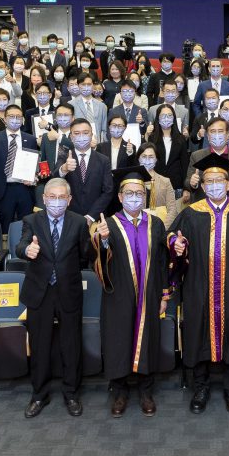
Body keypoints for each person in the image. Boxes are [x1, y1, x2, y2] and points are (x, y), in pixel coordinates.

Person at [169, 153, 229, 414]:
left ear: (228, 183)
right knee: (198, 331)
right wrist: (175, 245)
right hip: (198, 287)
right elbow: (171, 237)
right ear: (201, 186)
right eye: (208, 181)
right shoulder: (191, 213)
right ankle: (199, 387)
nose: (213, 185)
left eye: (218, 180)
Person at [90, 167, 172, 417]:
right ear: (120, 196)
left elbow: (161, 262)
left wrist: (164, 295)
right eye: (129, 193)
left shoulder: (155, 224)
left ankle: (146, 391)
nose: (134, 197)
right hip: (118, 297)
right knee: (118, 340)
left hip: (149, 294)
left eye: (139, 193)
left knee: (148, 339)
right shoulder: (108, 224)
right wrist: (102, 241)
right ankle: (120, 391)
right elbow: (95, 260)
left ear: (145, 197)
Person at [16, 178, 91, 418]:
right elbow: (21, 245)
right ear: (44, 199)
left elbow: (86, 254)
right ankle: (39, 395)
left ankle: (71, 393)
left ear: (69, 200)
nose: (56, 202)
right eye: (52, 197)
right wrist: (27, 250)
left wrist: (99, 239)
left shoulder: (79, 222)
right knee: (40, 345)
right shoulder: (31, 220)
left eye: (62, 198)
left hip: (68, 290)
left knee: (71, 345)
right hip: (40, 291)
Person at [0, 103, 39, 234]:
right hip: (4, 188)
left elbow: (34, 162)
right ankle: (6, 252)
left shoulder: (30, 138)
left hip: (25, 188)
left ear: (23, 119)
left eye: (18, 117)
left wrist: (34, 176)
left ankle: (24, 251)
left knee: (26, 224)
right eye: (11, 116)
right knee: (5, 225)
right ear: (5, 119)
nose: (15, 119)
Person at [185, 116, 229, 204]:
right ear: (208, 136)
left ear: (227, 135)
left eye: (220, 131)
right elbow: (187, 183)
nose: (217, 135)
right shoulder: (197, 156)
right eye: (213, 131)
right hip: (205, 211)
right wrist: (192, 184)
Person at [57, 117, 113, 222]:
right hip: (69, 217)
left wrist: (91, 216)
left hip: (96, 218)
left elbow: (108, 192)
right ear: (71, 136)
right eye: (77, 133)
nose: (81, 136)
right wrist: (64, 169)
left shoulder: (103, 160)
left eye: (85, 133)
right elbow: (54, 179)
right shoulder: (64, 157)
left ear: (91, 135)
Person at [135, 142, 181, 228]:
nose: (147, 160)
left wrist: (162, 229)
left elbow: (172, 209)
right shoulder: (133, 181)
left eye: (151, 157)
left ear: (156, 159)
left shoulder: (165, 181)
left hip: (160, 227)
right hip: (137, 228)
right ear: (138, 158)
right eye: (144, 156)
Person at [148, 104, 189, 195]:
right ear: (158, 118)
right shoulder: (152, 138)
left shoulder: (181, 139)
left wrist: (186, 188)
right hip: (156, 184)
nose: (166, 118)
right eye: (163, 115)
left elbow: (185, 164)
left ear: (174, 118)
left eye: (170, 115)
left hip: (176, 185)